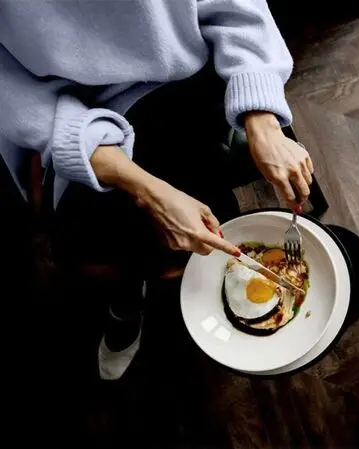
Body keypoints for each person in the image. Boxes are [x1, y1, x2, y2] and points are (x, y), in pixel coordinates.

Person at [0, 1, 312, 380]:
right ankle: (125, 302)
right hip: (75, 119)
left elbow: (234, 9)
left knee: (203, 216)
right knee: (112, 232)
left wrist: (262, 118)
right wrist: (146, 190)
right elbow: (13, 97)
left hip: (193, 78)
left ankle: (191, 280)